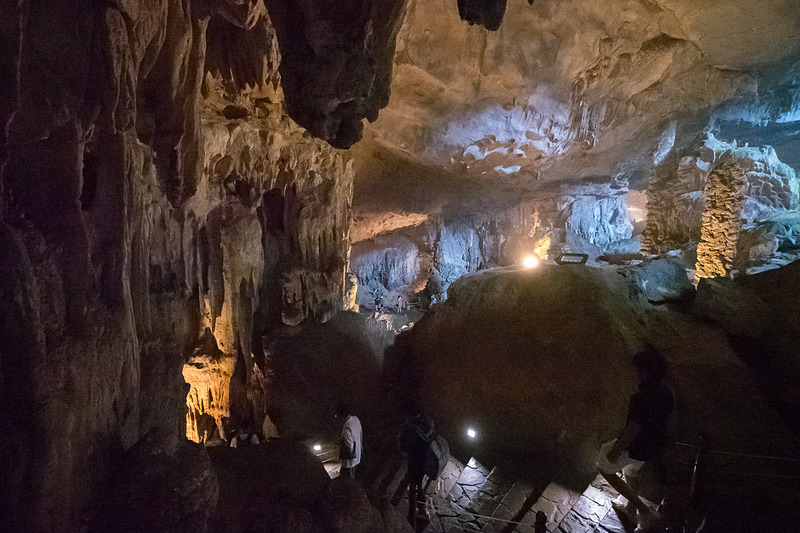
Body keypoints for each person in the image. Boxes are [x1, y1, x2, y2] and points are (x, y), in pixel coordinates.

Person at [598, 346, 674, 530]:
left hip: (636, 447)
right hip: (654, 445)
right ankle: (630, 510)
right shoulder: (666, 393)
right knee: (631, 471)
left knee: (604, 467)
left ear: (643, 372)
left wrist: (615, 453)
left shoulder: (640, 398)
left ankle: (644, 511)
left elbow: (632, 430)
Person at [398, 407, 435, 527]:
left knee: (414, 488)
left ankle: (411, 517)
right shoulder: (427, 420)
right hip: (426, 460)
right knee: (418, 484)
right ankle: (423, 509)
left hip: (415, 463)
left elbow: (405, 446)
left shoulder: (413, 428)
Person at [336, 403, 362, 478]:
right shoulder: (356, 419)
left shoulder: (347, 428)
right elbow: (360, 433)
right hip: (357, 456)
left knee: (347, 480)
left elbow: (349, 448)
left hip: (349, 462)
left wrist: (340, 444)